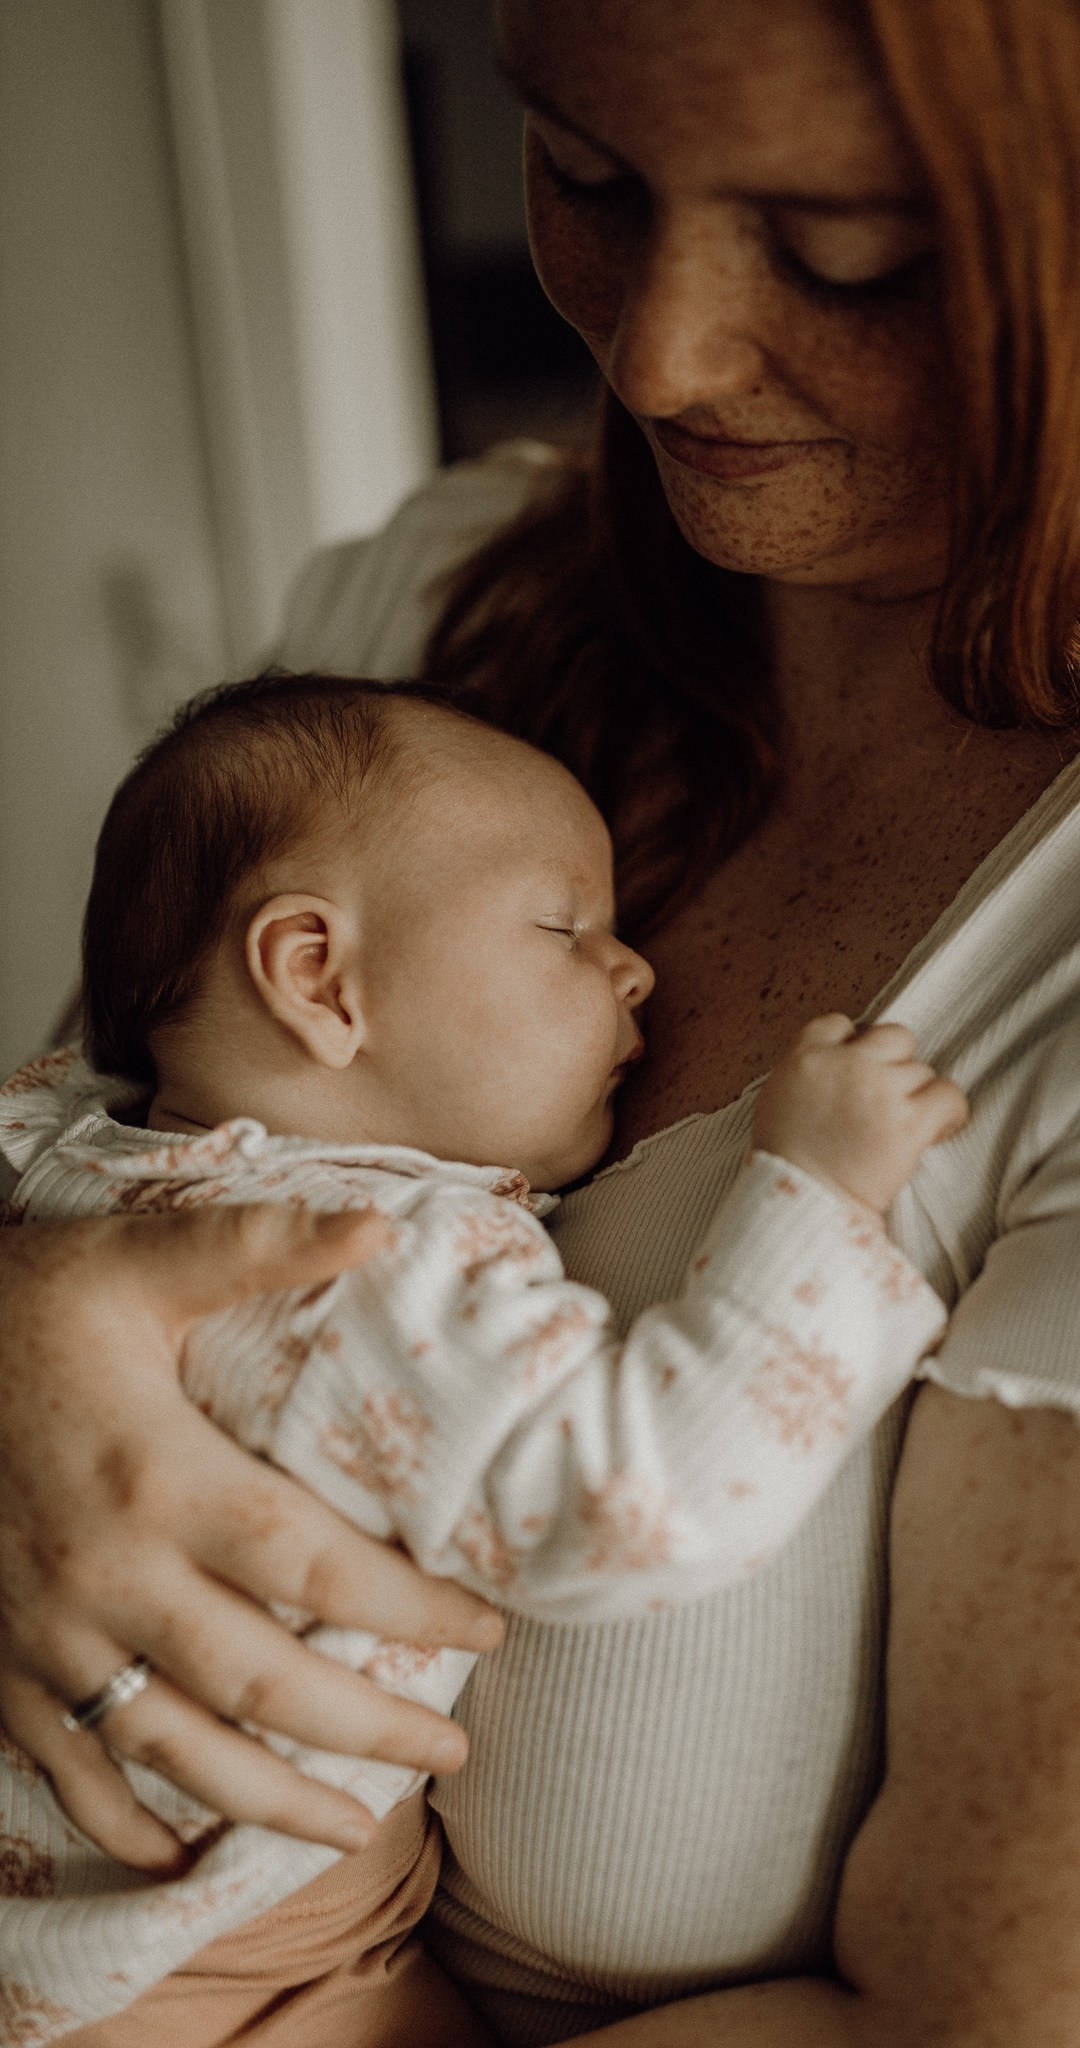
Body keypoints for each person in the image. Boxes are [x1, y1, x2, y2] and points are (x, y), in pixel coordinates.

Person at [3, 0, 1080, 2041]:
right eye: (587, 177)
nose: (656, 359)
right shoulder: (428, 633)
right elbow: (106, 1128)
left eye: (848, 255)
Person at [0, 670, 958, 2044]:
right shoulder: (368, 1266)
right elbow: (635, 1506)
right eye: (564, 927)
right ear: (318, 977)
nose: (635, 968)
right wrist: (820, 1199)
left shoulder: (54, 1152)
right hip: (198, 1965)